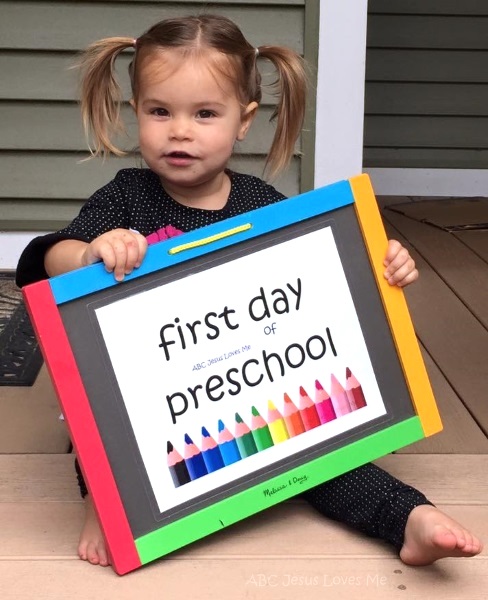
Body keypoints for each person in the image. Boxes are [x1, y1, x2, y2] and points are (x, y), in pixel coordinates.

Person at [16, 14, 482, 568]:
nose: (179, 131)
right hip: (161, 403)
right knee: (110, 444)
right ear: (135, 111)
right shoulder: (126, 198)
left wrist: (385, 267)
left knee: (324, 456)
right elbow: (40, 263)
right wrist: (89, 254)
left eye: (205, 113)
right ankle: (111, 504)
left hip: (250, 393)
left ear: (244, 121)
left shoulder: (262, 206)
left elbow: (324, 283)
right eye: (159, 111)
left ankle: (409, 519)